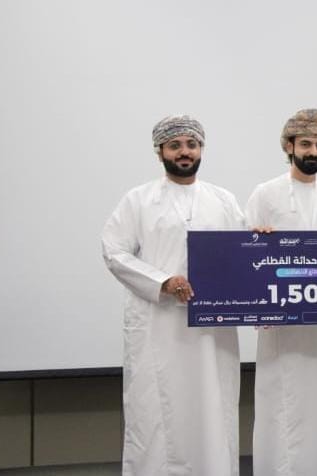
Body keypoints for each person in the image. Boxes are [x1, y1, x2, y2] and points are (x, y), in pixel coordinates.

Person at [102, 115, 244, 476]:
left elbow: (245, 253)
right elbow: (114, 251)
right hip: (158, 328)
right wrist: (163, 282)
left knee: (213, 409)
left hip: (212, 333)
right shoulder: (138, 200)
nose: (185, 152)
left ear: (201, 150)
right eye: (175, 145)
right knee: (156, 415)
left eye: (191, 145)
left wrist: (263, 238)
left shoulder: (223, 200)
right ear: (160, 151)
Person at [244, 109, 317, 476]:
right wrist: (257, 241)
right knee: (279, 406)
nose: (313, 151)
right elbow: (244, 255)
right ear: (288, 146)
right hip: (280, 328)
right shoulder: (265, 193)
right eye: (306, 143)